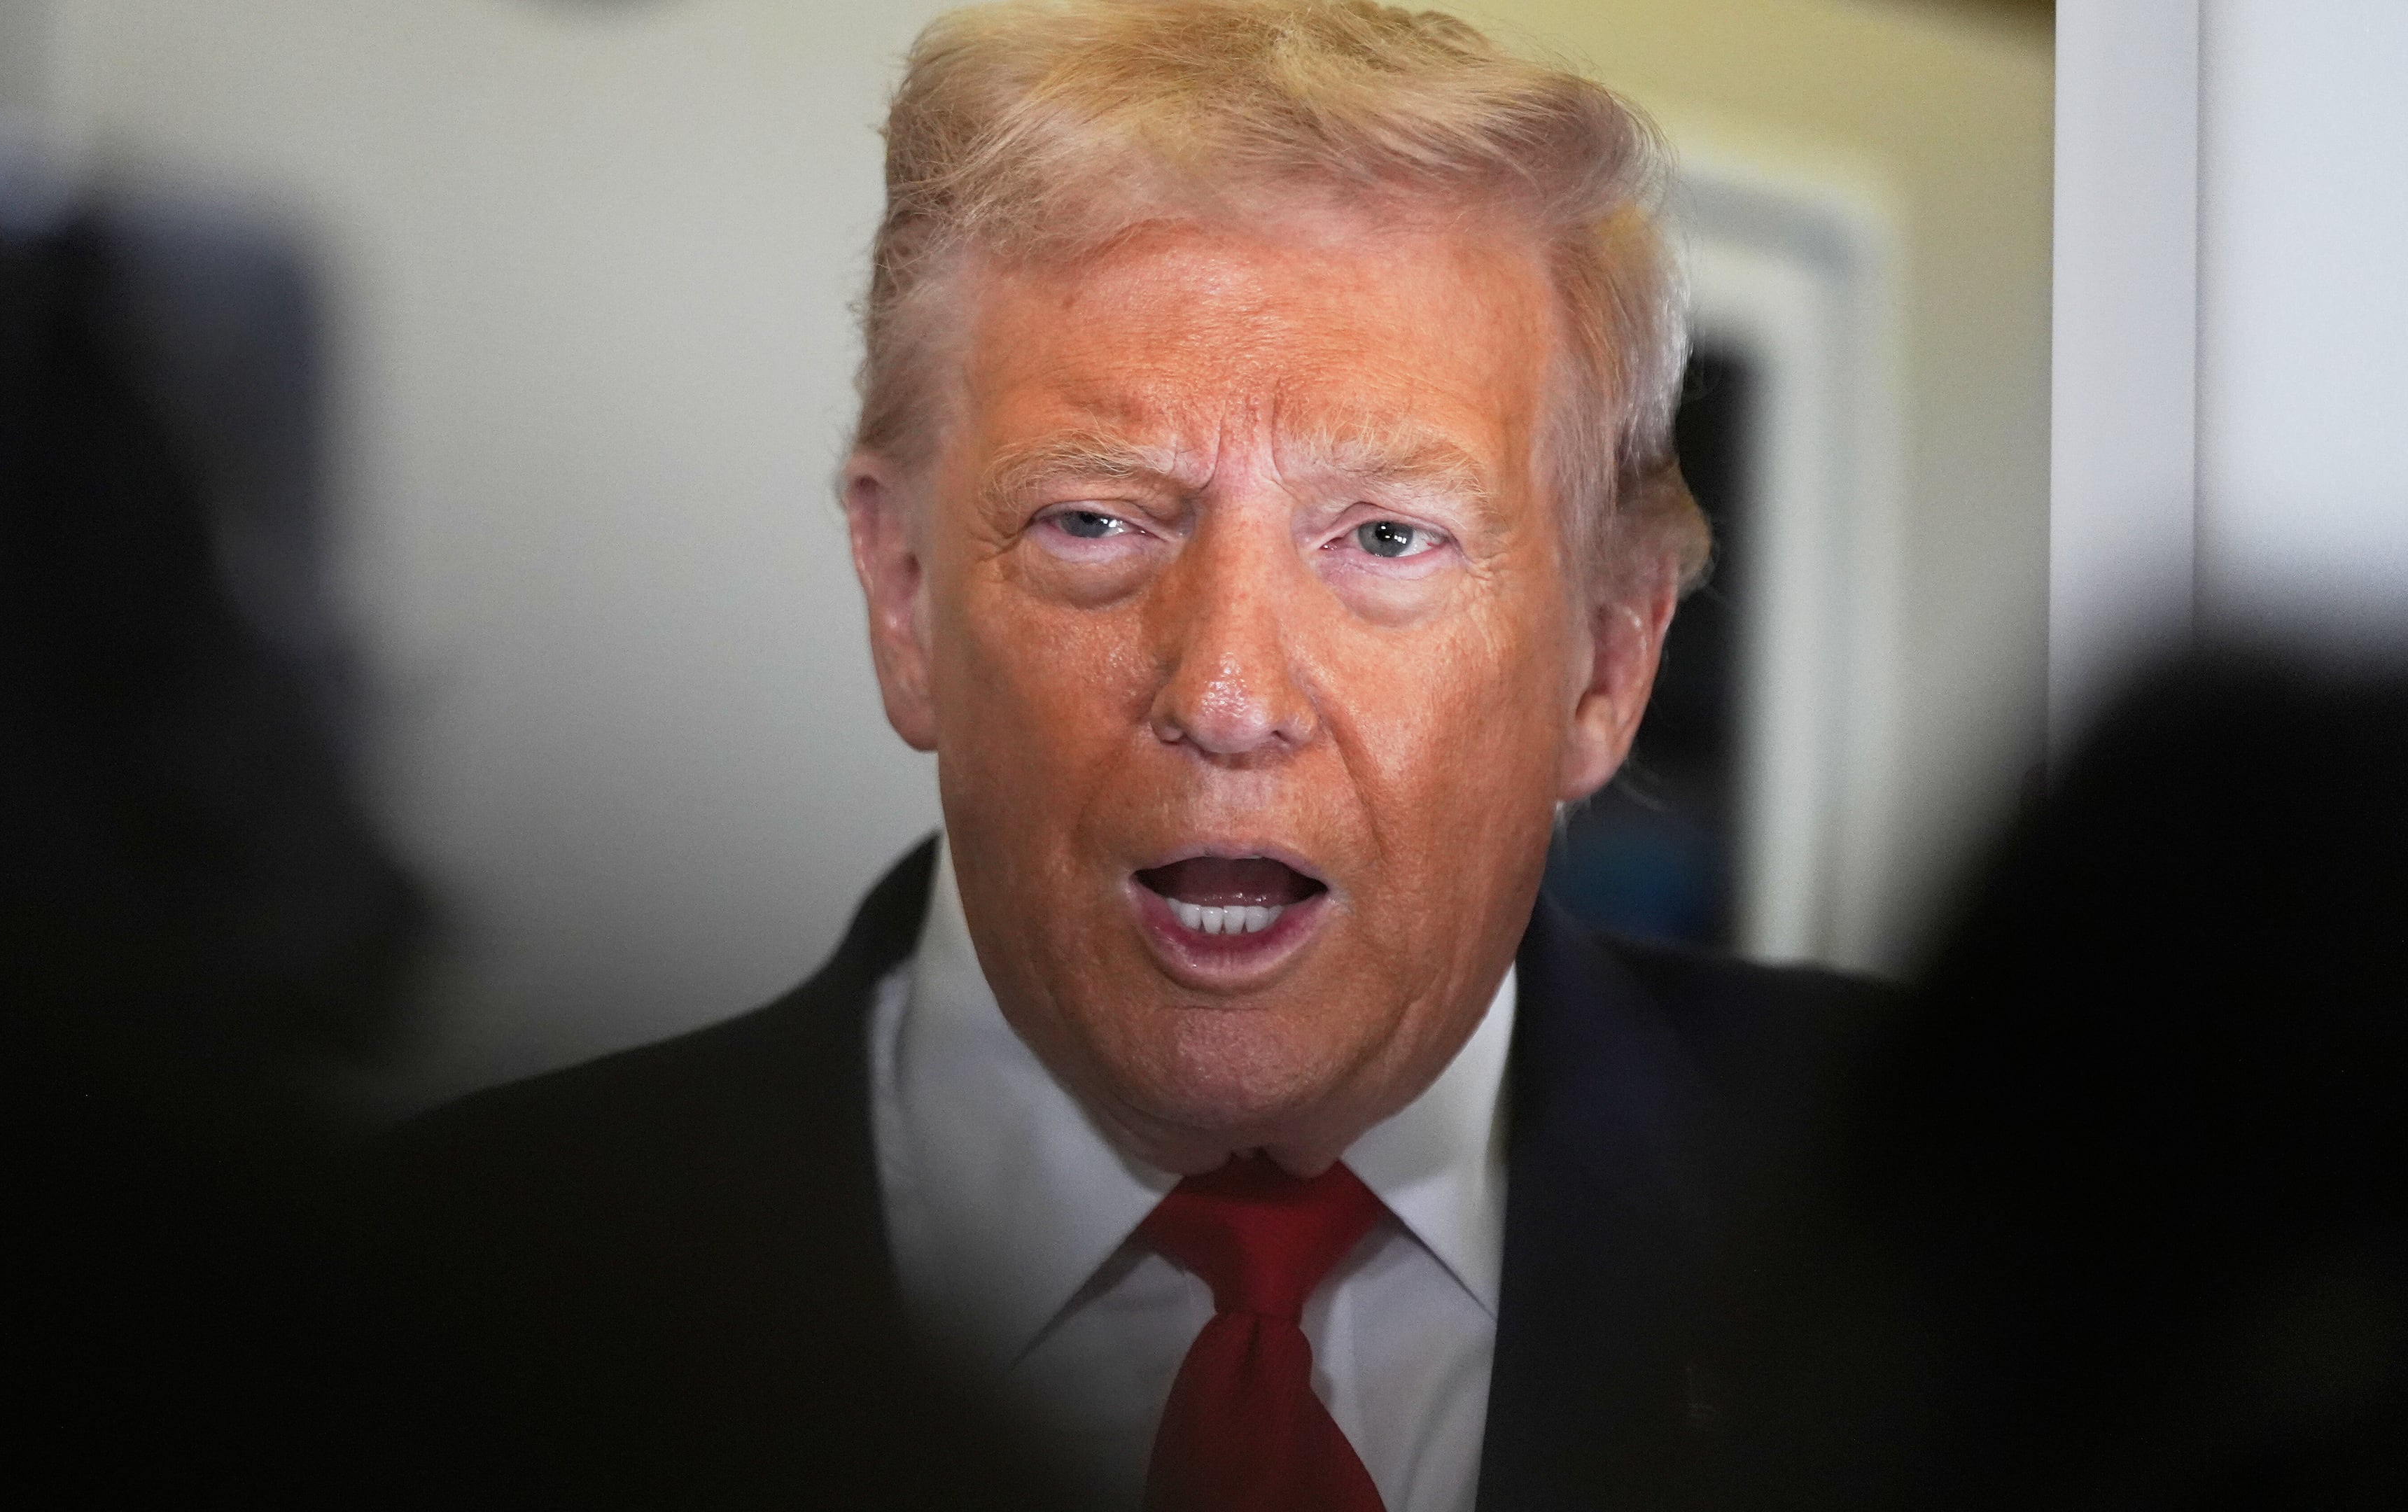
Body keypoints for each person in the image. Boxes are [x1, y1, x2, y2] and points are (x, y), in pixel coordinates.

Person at [354, 3, 1888, 1508]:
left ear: (1608, 659)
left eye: (1388, 537)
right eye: (1093, 520)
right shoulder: (428, 1299)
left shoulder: (1961, 1221)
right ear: (904, 601)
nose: (1225, 694)